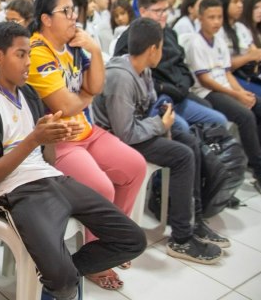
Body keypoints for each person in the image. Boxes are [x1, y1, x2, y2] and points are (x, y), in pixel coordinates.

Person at [0, 21, 147, 299]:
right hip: (17, 192)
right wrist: (34, 140)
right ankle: (59, 278)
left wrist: (49, 139)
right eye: (21, 54)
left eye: (29, 53)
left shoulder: (28, 94)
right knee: (63, 281)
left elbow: (47, 159)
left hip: (52, 178)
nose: (28, 62)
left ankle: (61, 274)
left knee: (133, 239)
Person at [28, 0, 147, 289]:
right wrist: (83, 98)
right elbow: (65, 106)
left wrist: (94, 49)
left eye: (74, 10)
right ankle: (96, 261)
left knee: (134, 166)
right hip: (60, 141)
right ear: (45, 18)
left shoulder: (76, 45)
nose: (73, 17)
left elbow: (96, 85)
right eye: (65, 11)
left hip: (87, 131)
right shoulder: (37, 50)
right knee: (101, 187)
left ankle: (112, 242)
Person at [93, 18, 227, 264]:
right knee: (182, 155)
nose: (163, 53)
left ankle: (194, 221)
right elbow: (125, 133)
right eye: (162, 47)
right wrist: (160, 124)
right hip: (119, 142)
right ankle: (181, 238)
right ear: (153, 49)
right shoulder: (121, 77)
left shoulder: (143, 70)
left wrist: (163, 115)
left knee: (190, 142)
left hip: (140, 131)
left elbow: (145, 109)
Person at [114, 0, 228, 134]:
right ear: (142, 11)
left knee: (218, 119)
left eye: (165, 10)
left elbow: (182, 65)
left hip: (179, 94)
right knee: (182, 128)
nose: (163, 15)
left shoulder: (169, 33)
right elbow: (132, 80)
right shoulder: (129, 39)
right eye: (157, 11)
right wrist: (167, 89)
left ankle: (208, 153)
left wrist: (183, 86)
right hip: (154, 100)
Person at [184, 0, 261, 198]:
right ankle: (260, 170)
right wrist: (236, 95)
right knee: (245, 116)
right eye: (211, 17)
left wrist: (243, 93)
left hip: (228, 88)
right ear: (200, 18)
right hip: (208, 92)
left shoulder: (219, 40)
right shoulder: (196, 43)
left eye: (219, 17)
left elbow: (227, 72)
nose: (216, 22)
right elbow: (205, 80)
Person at [218, 0, 261, 99]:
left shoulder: (240, 28)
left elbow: (256, 53)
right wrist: (250, 56)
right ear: (225, 4)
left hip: (248, 73)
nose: (240, 5)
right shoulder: (219, 30)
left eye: (241, 1)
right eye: (235, 2)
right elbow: (224, 66)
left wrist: (257, 55)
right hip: (232, 77)